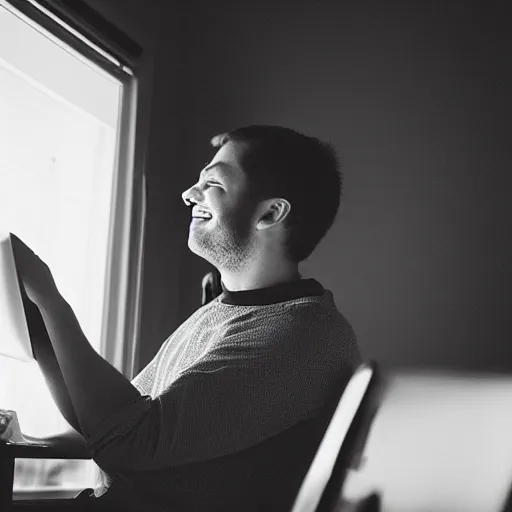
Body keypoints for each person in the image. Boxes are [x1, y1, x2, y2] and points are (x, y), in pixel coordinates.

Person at [5, 126, 361, 511]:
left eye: (212, 182)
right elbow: (110, 422)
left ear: (271, 213)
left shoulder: (305, 335)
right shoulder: (217, 313)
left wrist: (53, 303)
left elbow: (129, 441)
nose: (189, 194)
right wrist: (29, 438)